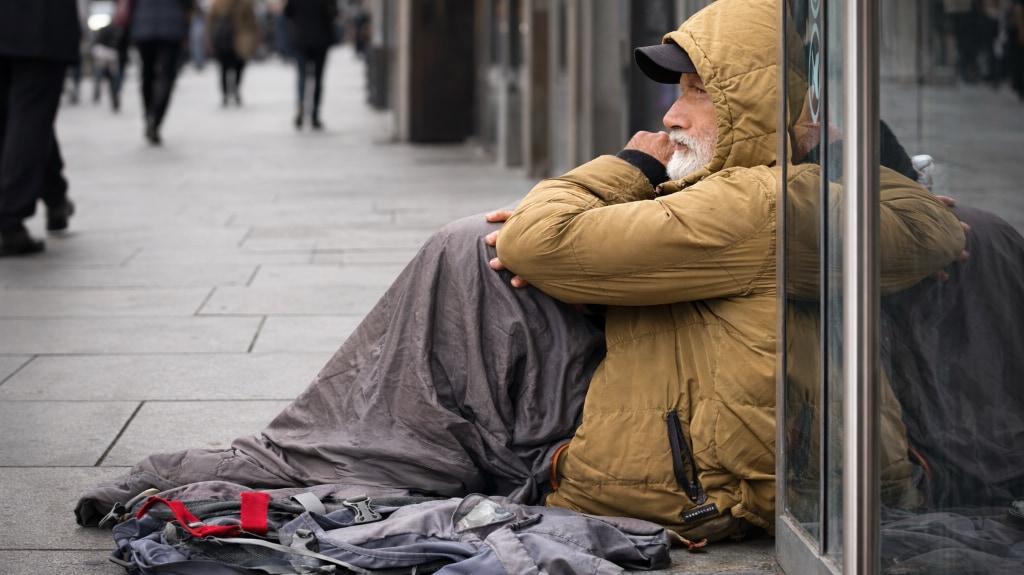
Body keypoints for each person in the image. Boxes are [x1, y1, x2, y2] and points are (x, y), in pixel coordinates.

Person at [76, 0, 968, 549]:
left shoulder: (750, 209)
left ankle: (297, 452)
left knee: (471, 256)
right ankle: (312, 444)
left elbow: (538, 243)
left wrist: (630, 165)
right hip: (699, 429)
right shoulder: (814, 198)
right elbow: (933, 222)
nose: (670, 110)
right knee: (468, 270)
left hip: (648, 473)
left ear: (755, 106)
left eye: (691, 91)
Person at [0, 0, 81, 256]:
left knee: (22, 121)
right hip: (41, 24)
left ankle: (56, 197)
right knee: (30, 119)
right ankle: (10, 218)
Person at [121, 0, 196, 145]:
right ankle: (156, 118)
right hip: (172, 26)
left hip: (143, 25)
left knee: (147, 73)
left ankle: (148, 114)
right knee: (166, 75)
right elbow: (189, 5)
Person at [284, 0, 338, 130]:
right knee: (318, 79)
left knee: (302, 76)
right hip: (321, 38)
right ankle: (314, 115)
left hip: (301, 38)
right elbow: (333, 13)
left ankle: (301, 106)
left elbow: (287, 12)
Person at [205, 0, 259, 107]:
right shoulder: (243, 3)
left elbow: (209, 21)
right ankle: (233, 91)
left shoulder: (219, 3)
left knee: (228, 68)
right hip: (231, 39)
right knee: (233, 67)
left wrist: (209, 39)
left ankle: (228, 92)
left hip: (229, 39)